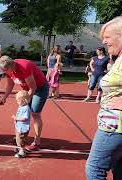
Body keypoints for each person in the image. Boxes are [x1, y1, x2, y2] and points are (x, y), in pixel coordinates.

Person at [85, 16, 122, 180]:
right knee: (119, 168)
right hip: (114, 123)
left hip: (115, 125)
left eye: (107, 37)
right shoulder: (119, 59)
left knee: (94, 169)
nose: (104, 41)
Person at [0, 56, 49, 151]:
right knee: (23, 112)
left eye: (5, 70)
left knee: (35, 113)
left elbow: (33, 88)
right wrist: (4, 97)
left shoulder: (24, 67)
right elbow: (10, 84)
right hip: (27, 89)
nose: (3, 72)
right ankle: (21, 138)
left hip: (40, 89)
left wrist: (24, 101)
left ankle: (37, 142)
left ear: (11, 66)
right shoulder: (9, 71)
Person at [11, 90, 31, 158]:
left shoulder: (26, 108)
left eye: (18, 101)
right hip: (19, 126)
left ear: (24, 100)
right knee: (18, 138)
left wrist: (16, 118)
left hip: (23, 128)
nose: (17, 102)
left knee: (21, 139)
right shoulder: (21, 106)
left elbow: (24, 118)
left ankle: (22, 151)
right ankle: (22, 148)